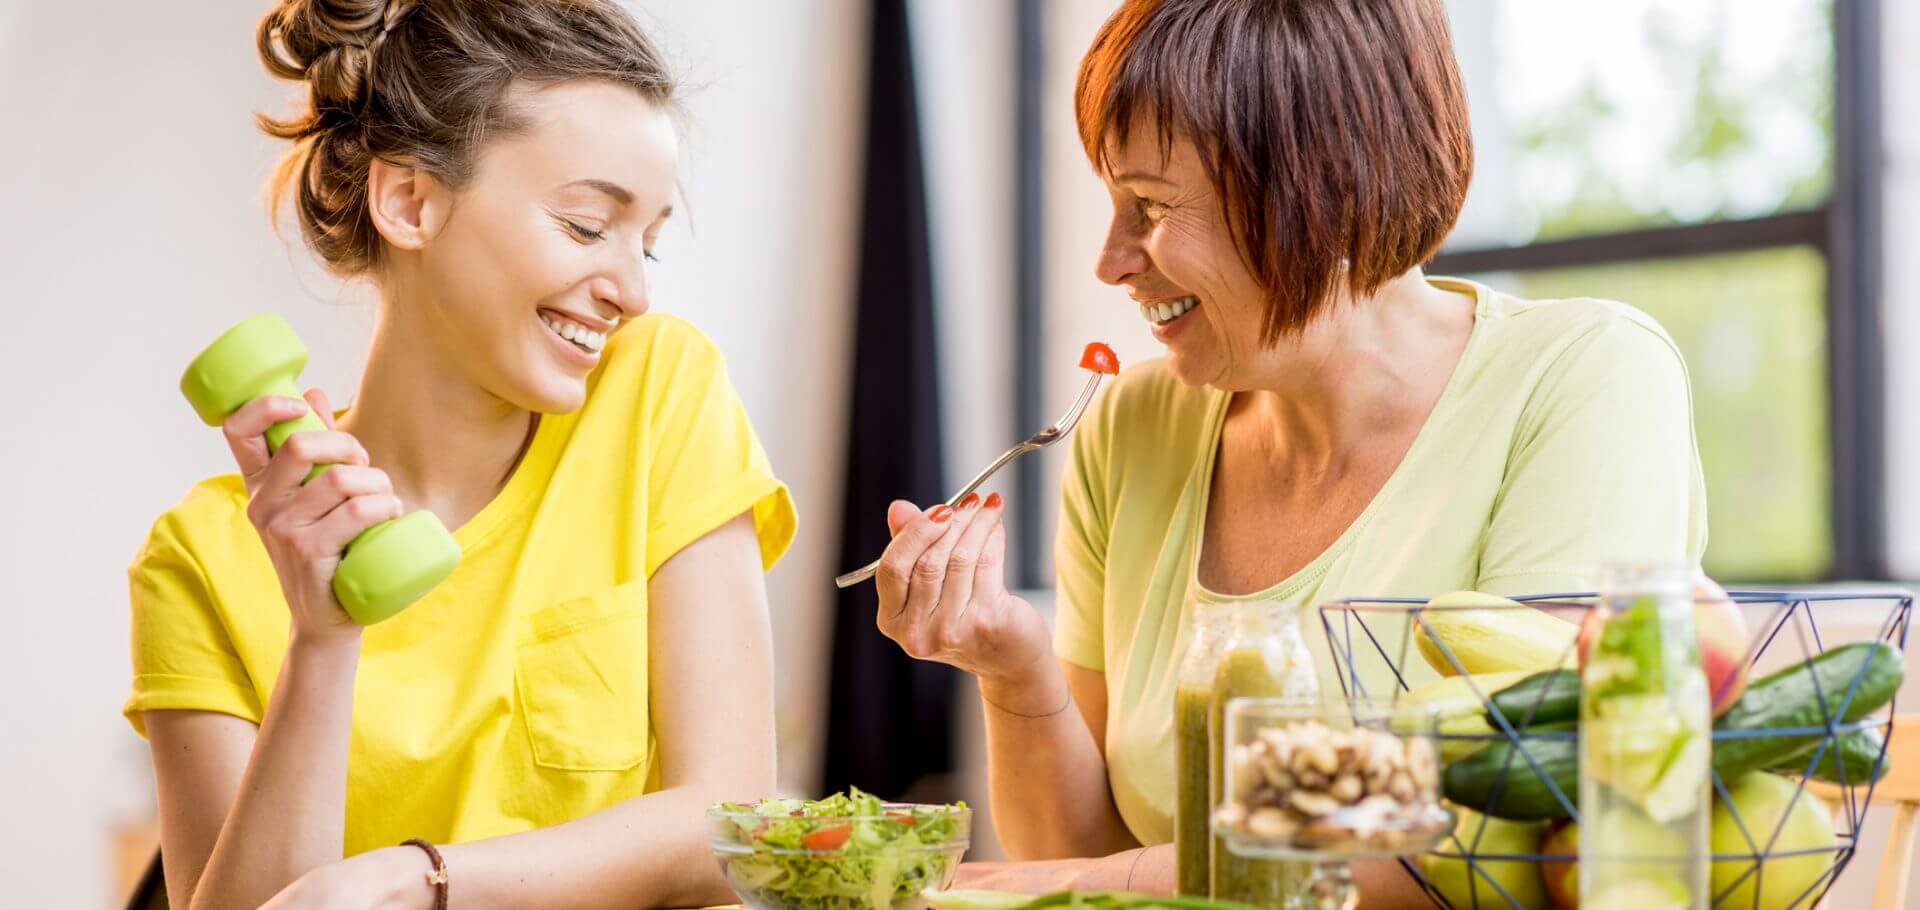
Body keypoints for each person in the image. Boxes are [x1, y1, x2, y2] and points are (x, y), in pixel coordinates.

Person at [867, 0, 1707, 903]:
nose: (1111, 262)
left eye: (1148, 206)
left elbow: (1496, 836)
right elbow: (1074, 867)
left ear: (1326, 188)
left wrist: (1094, 876)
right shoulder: (1132, 426)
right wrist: (1013, 669)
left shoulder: (1582, 377)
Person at [123, 2, 795, 907]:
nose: (632, 290)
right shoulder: (201, 558)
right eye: (589, 227)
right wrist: (323, 642)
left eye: (651, 241)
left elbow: (729, 818)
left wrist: (421, 878)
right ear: (410, 202)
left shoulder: (656, 390)